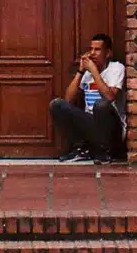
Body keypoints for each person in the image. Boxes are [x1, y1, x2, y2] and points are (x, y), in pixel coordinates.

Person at [49, 32, 126, 163]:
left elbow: (109, 97)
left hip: (112, 129)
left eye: (97, 50)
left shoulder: (116, 68)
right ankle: (81, 149)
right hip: (92, 126)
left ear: (108, 53)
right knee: (56, 105)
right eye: (91, 49)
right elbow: (68, 100)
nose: (92, 54)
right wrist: (81, 71)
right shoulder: (87, 73)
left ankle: (105, 152)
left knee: (101, 105)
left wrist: (94, 71)